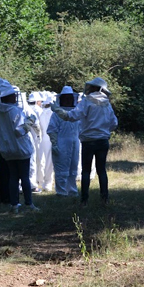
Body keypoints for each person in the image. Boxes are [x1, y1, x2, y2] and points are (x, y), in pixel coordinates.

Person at [51, 77, 118, 205]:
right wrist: (103, 129)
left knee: (86, 171)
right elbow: (114, 123)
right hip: (103, 141)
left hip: (89, 141)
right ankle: (105, 199)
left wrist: (57, 110)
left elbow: (71, 116)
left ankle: (84, 201)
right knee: (102, 170)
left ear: (95, 88)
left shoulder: (87, 102)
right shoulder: (107, 104)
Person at [0, 82, 40, 212]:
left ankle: (14, 205)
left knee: (13, 176)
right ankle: (29, 204)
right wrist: (29, 122)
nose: (15, 97)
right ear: (8, 97)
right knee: (24, 176)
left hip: (7, 150)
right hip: (21, 148)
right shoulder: (15, 111)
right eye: (13, 95)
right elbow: (19, 131)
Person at [46, 86, 80, 197]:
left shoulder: (76, 113)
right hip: (61, 143)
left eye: (69, 98)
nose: (68, 100)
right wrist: (54, 143)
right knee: (61, 169)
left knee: (73, 168)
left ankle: (72, 191)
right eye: (65, 98)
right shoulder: (56, 114)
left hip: (75, 143)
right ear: (61, 99)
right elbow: (52, 130)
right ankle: (61, 192)